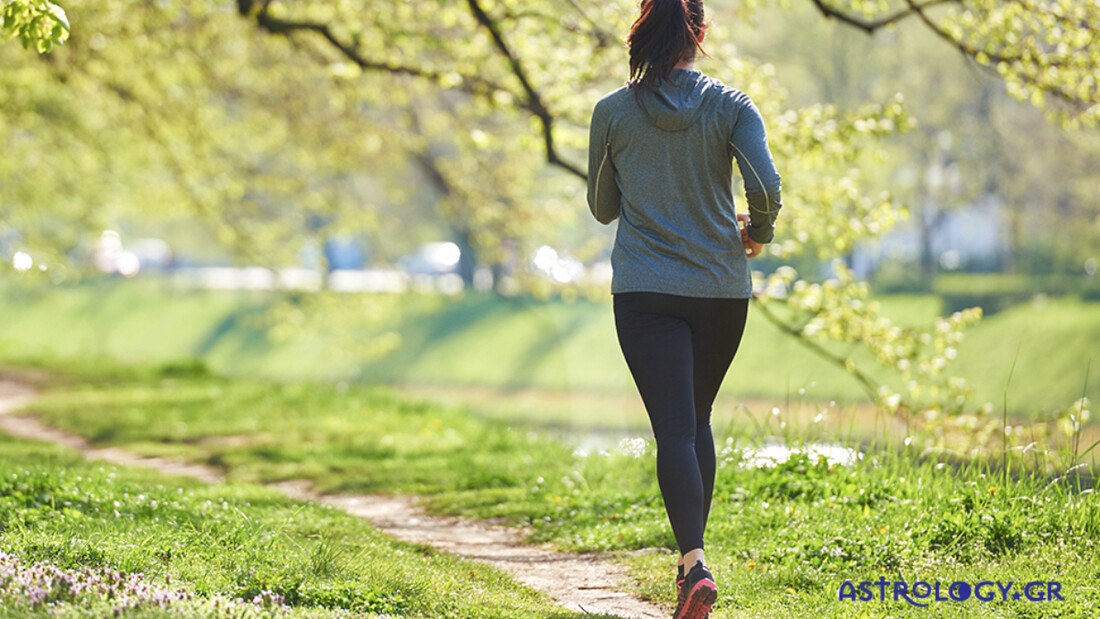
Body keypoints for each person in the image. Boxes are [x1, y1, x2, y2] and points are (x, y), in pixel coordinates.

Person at [586, 0, 783, 617]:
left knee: (675, 426)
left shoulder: (613, 112)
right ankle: (692, 565)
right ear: (699, 35)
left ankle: (693, 565)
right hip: (721, 290)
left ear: (641, 34)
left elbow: (602, 206)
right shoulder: (732, 106)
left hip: (646, 292)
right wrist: (760, 230)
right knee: (696, 419)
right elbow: (766, 187)